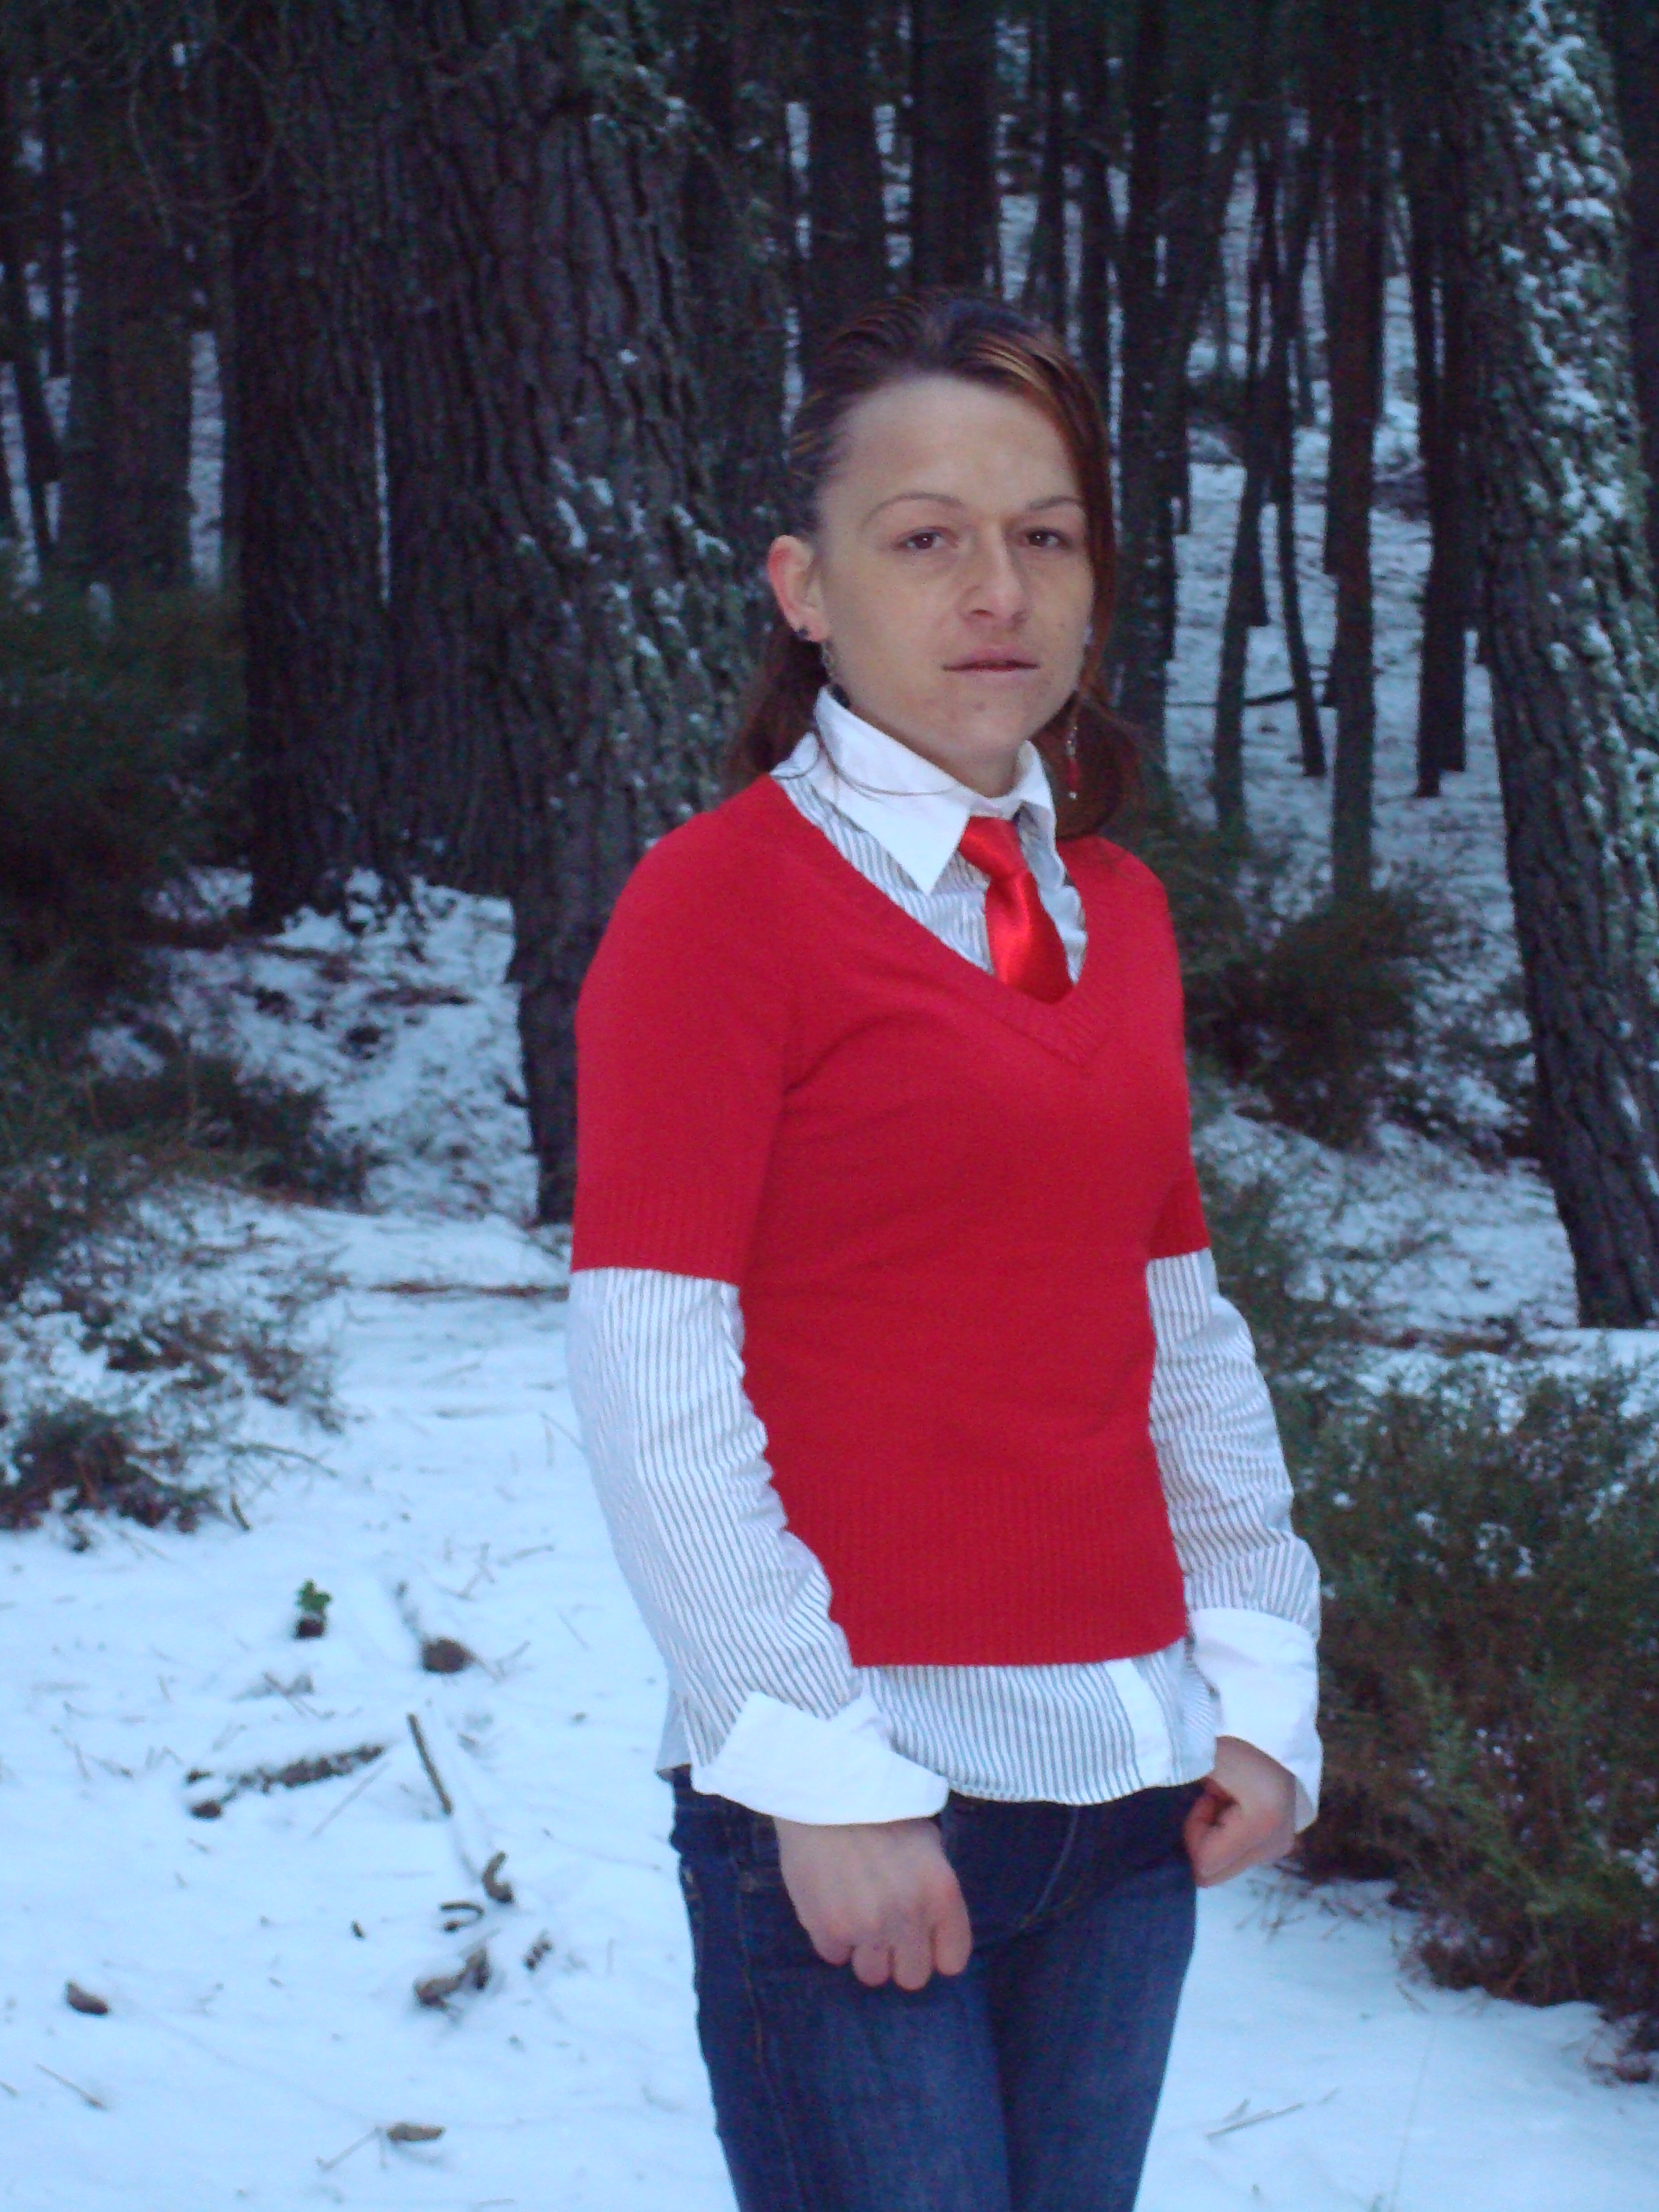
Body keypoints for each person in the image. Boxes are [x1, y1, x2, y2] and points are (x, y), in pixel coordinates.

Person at [567, 294, 1321, 2212]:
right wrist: (814, 1777)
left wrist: (1256, 1674)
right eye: (925, 538)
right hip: (865, 1799)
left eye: (1044, 535)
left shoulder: (1116, 914)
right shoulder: (718, 904)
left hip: (1129, 1802)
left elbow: (1176, 1330)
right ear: (805, 589)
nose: (998, 590)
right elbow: (653, 1377)